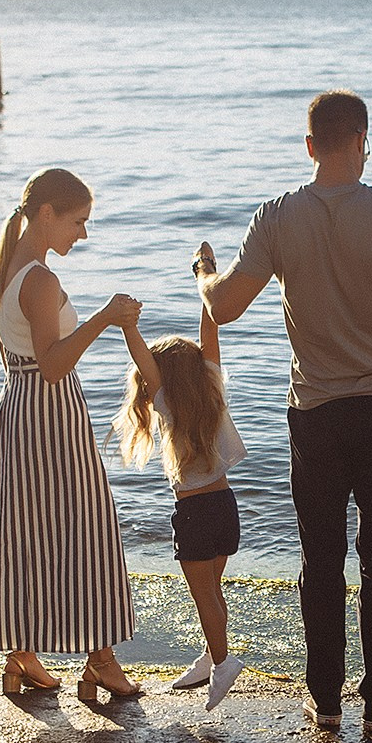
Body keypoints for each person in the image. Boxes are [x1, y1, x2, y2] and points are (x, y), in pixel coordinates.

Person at [197, 89, 372, 732]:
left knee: (319, 558)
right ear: (361, 140)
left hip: (317, 415)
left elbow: (223, 307)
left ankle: (325, 698)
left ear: (309, 146)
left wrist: (203, 272)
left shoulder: (276, 218)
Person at [0, 168, 142, 701]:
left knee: (26, 536)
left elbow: (26, 360)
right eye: (77, 221)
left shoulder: (11, 270)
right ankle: (100, 661)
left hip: (19, 413)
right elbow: (54, 365)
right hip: (49, 415)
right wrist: (104, 316)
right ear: (46, 214)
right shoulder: (39, 279)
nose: (81, 234)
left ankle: (22, 658)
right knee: (87, 528)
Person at [111, 262, 249, 712]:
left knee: (204, 593)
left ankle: (225, 661)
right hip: (226, 505)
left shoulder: (164, 396)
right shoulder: (211, 386)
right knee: (213, 590)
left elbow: (140, 358)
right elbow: (210, 330)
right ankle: (212, 656)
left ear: (164, 375)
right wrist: (204, 275)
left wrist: (128, 324)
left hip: (193, 512)